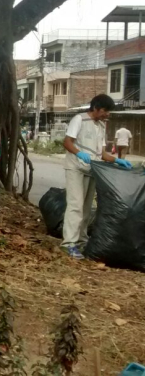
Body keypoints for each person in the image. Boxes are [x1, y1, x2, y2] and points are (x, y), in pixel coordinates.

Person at [61, 94, 131, 259]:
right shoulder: (79, 119)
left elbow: (101, 153)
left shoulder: (100, 126)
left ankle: (82, 240)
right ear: (96, 108)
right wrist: (79, 154)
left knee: (86, 208)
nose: (107, 114)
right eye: (105, 111)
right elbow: (67, 142)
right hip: (76, 168)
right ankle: (69, 243)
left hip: (93, 169)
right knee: (75, 205)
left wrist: (117, 160)